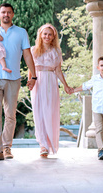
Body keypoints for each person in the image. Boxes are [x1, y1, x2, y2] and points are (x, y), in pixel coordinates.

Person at [0, 3, 38, 162]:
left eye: (8, 12)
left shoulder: (21, 32)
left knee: (10, 115)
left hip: (13, 78)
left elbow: (28, 55)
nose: (6, 15)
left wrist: (33, 76)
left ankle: (7, 147)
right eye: (3, 12)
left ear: (13, 14)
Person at [28, 23, 72, 158]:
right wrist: (30, 81)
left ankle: (49, 142)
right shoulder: (33, 50)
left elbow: (58, 70)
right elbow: (31, 68)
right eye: (45, 34)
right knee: (38, 112)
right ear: (40, 35)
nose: (47, 36)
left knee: (49, 112)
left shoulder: (56, 51)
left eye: (50, 34)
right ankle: (43, 145)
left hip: (51, 82)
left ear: (53, 37)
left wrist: (65, 85)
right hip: (38, 82)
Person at [73, 56, 103, 160]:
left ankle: (101, 149)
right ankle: (101, 150)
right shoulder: (95, 79)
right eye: (102, 65)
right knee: (98, 129)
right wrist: (73, 90)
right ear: (98, 67)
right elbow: (85, 86)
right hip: (97, 108)